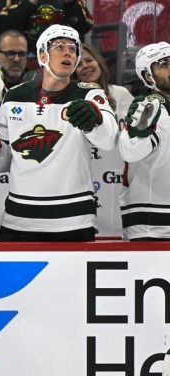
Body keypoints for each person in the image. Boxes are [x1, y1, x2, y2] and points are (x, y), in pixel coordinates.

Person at [0, 24, 119, 241]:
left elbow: (109, 139)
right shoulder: (14, 96)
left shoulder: (89, 95)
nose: (68, 53)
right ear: (43, 56)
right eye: (59, 47)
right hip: (18, 218)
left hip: (73, 219)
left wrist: (95, 120)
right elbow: (4, 161)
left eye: (73, 49)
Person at [75, 43, 133, 237]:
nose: (86, 66)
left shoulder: (121, 94)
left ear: (99, 62)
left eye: (89, 60)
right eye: (79, 64)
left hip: (117, 175)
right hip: (87, 175)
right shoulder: (72, 101)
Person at [118, 42, 170, 240]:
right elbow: (130, 152)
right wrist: (138, 131)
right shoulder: (149, 107)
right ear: (148, 76)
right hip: (152, 223)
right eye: (164, 64)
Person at [0, 0, 93, 60]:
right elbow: (0, 25)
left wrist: (71, 4)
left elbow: (84, 27)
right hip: (21, 58)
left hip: (63, 56)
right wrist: (28, 4)